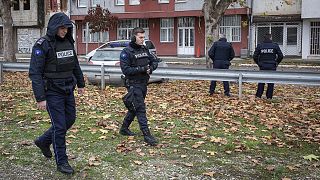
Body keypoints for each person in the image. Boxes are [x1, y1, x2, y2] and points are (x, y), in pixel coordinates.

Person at [29, 12, 85, 174]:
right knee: (60, 127)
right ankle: (62, 161)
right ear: (54, 27)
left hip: (68, 88)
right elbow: (35, 73)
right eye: (62, 27)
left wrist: (80, 84)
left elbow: (75, 65)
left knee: (70, 119)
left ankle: (43, 141)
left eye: (67, 27)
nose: (65, 30)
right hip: (52, 91)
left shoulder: (68, 42)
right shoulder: (43, 44)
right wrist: (40, 97)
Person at [119, 27, 159, 146]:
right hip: (133, 84)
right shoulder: (126, 52)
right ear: (134, 37)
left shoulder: (144, 49)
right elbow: (125, 70)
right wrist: (142, 69)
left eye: (143, 37)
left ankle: (124, 128)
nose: (142, 40)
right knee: (140, 108)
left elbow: (154, 61)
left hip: (143, 83)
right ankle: (147, 135)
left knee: (136, 108)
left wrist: (151, 68)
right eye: (140, 37)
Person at [253, 33, 283, 99]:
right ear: (271, 38)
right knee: (271, 82)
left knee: (261, 81)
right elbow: (281, 56)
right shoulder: (275, 45)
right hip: (272, 66)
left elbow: (255, 56)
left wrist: (259, 63)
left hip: (262, 66)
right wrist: (276, 62)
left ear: (264, 38)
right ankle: (269, 97)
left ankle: (258, 95)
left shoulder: (260, 45)